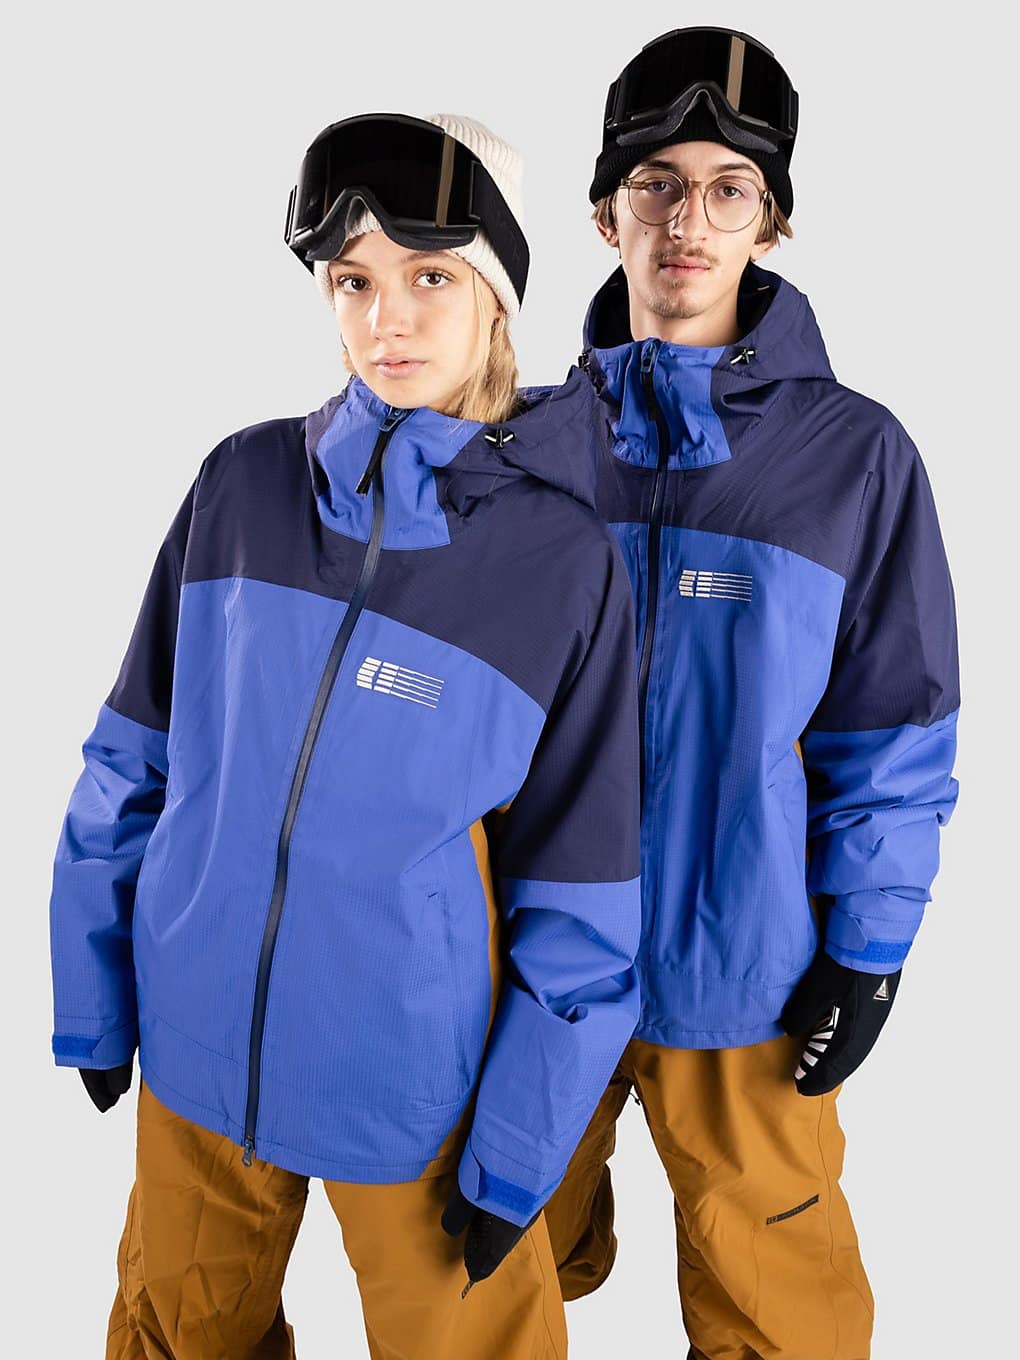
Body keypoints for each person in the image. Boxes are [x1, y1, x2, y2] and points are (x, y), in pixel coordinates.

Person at [48, 111, 643, 1360]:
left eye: (431, 278)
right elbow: (131, 758)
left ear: (496, 296)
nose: (389, 320)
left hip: (417, 1096)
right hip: (199, 1053)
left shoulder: (560, 564)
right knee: (172, 1336)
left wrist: (521, 1149)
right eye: (354, 281)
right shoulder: (241, 485)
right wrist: (93, 987)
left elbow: (583, 898)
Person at [542, 27, 960, 1360]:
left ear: (772, 223)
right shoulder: (521, 446)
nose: (688, 222)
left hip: (748, 973)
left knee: (784, 1322)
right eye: (657, 184)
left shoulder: (855, 458)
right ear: (605, 211)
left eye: (730, 190)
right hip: (532, 968)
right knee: (486, 1285)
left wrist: (868, 948)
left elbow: (893, 726)